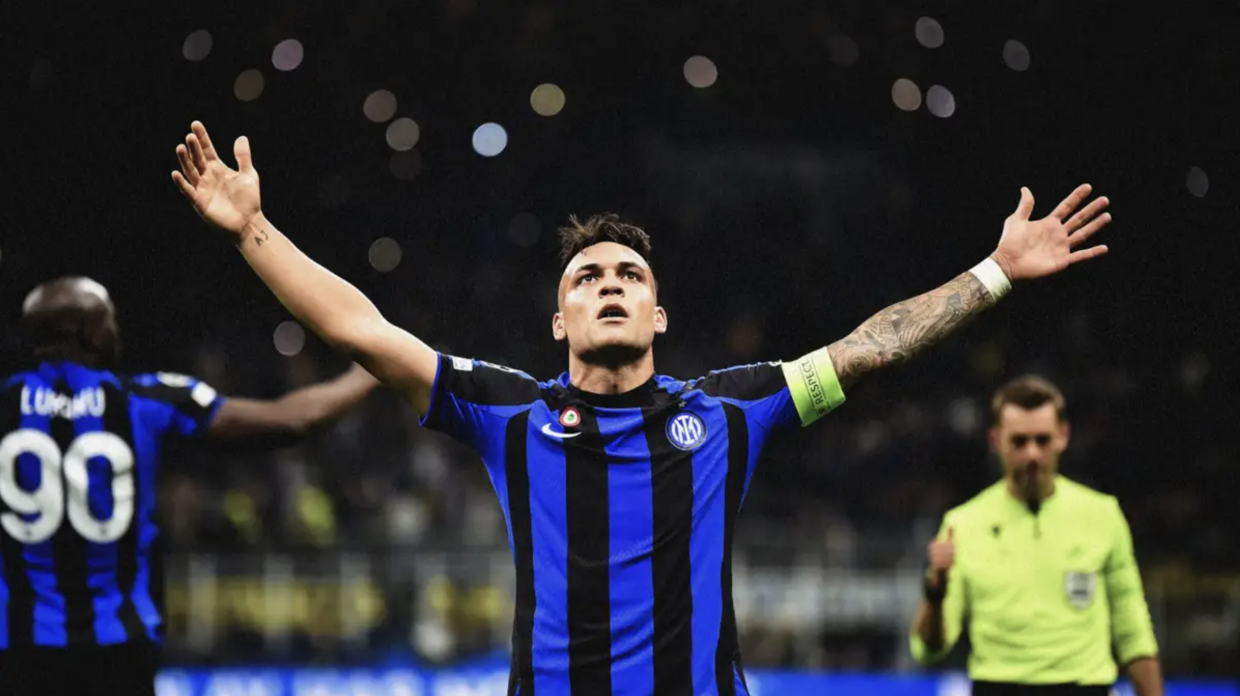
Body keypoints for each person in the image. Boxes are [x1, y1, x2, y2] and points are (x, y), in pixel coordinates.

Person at [171, 120, 1112, 696]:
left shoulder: (734, 412)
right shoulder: (508, 415)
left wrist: (996, 272)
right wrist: (252, 229)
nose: (610, 285)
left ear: (659, 314)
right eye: (587, 278)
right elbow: (362, 329)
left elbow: (874, 345)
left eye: (629, 275)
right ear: (559, 321)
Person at [0, 276, 380, 696]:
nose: (116, 331)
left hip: (18, 643)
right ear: (88, 334)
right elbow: (293, 420)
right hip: (120, 645)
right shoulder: (146, 400)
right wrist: (369, 371)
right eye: (109, 321)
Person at [910, 376, 1162, 696]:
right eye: (1019, 441)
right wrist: (935, 594)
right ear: (995, 440)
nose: (1032, 454)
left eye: (1042, 440)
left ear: (1063, 436)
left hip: (1085, 688)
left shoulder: (1103, 515)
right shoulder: (962, 524)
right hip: (998, 688)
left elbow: (1134, 633)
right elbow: (929, 649)